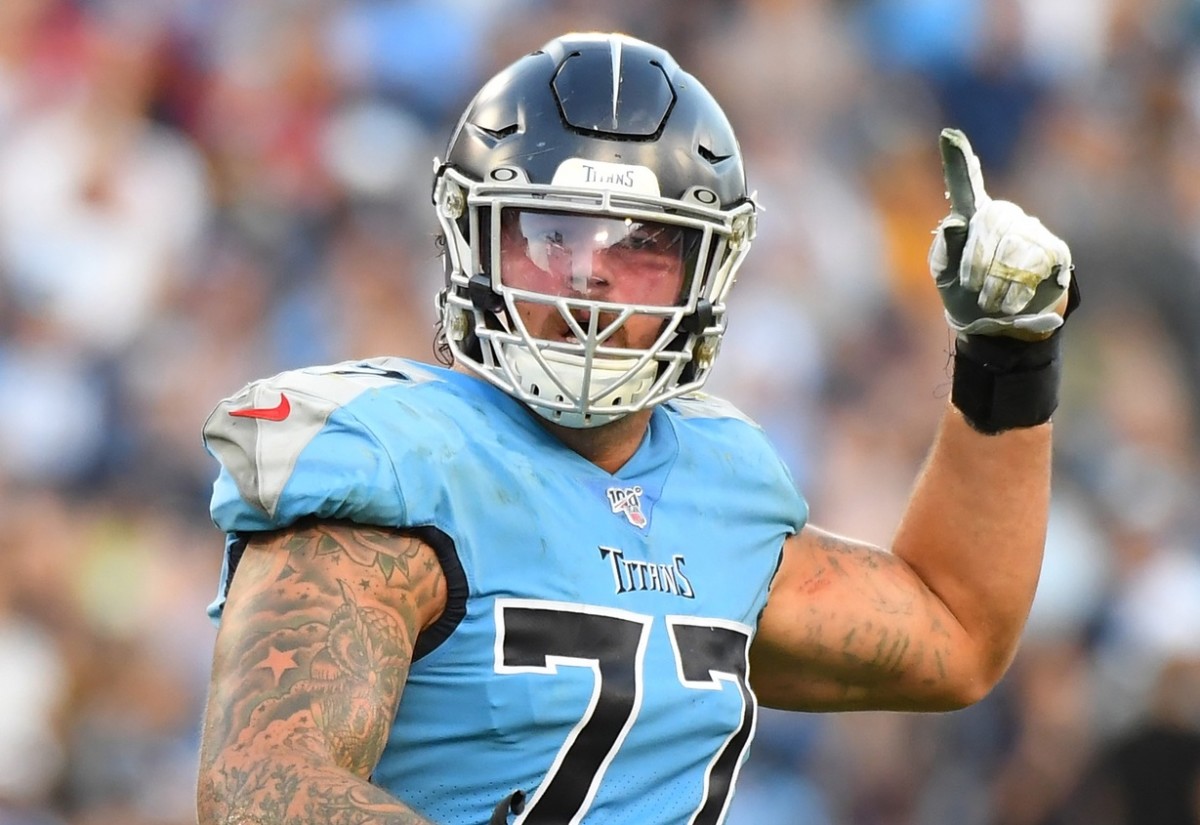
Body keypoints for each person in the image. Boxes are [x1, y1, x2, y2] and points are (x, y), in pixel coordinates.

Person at [195, 31, 1078, 825]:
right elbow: (263, 791)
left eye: (640, 244)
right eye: (549, 232)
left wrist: (1007, 358)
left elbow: (954, 635)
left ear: (708, 267)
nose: (589, 275)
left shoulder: (718, 485)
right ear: (474, 240)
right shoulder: (395, 463)